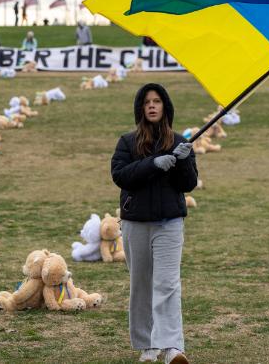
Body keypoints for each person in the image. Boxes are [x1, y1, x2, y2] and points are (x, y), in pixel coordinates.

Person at [111, 83, 197, 364]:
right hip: (136, 223)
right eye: (147, 101)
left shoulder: (179, 142)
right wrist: (152, 164)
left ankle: (173, 346)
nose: (152, 105)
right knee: (141, 284)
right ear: (140, 108)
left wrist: (183, 162)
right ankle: (148, 345)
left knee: (168, 284)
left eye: (157, 101)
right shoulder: (127, 142)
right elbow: (120, 176)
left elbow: (189, 184)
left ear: (165, 106)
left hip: (169, 224)